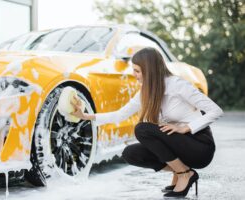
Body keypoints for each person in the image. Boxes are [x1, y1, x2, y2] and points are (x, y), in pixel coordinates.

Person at [70, 47, 223, 198]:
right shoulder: (146, 91)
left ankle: (184, 174)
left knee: (142, 129)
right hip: (178, 145)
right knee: (131, 154)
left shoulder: (177, 85)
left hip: (199, 147)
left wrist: (186, 128)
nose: (133, 74)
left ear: (149, 70)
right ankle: (182, 170)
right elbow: (120, 114)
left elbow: (215, 110)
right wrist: (85, 116)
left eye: (137, 70)